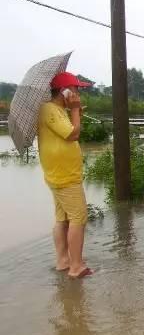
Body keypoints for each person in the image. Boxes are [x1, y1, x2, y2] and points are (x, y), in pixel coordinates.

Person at [37, 72, 93, 279]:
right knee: (78, 217)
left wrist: (74, 112)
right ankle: (76, 266)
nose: (78, 93)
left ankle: (63, 261)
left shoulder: (56, 110)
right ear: (65, 91)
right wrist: (76, 110)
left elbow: (70, 129)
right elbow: (73, 134)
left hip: (62, 173)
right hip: (64, 175)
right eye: (76, 89)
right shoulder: (49, 110)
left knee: (63, 218)